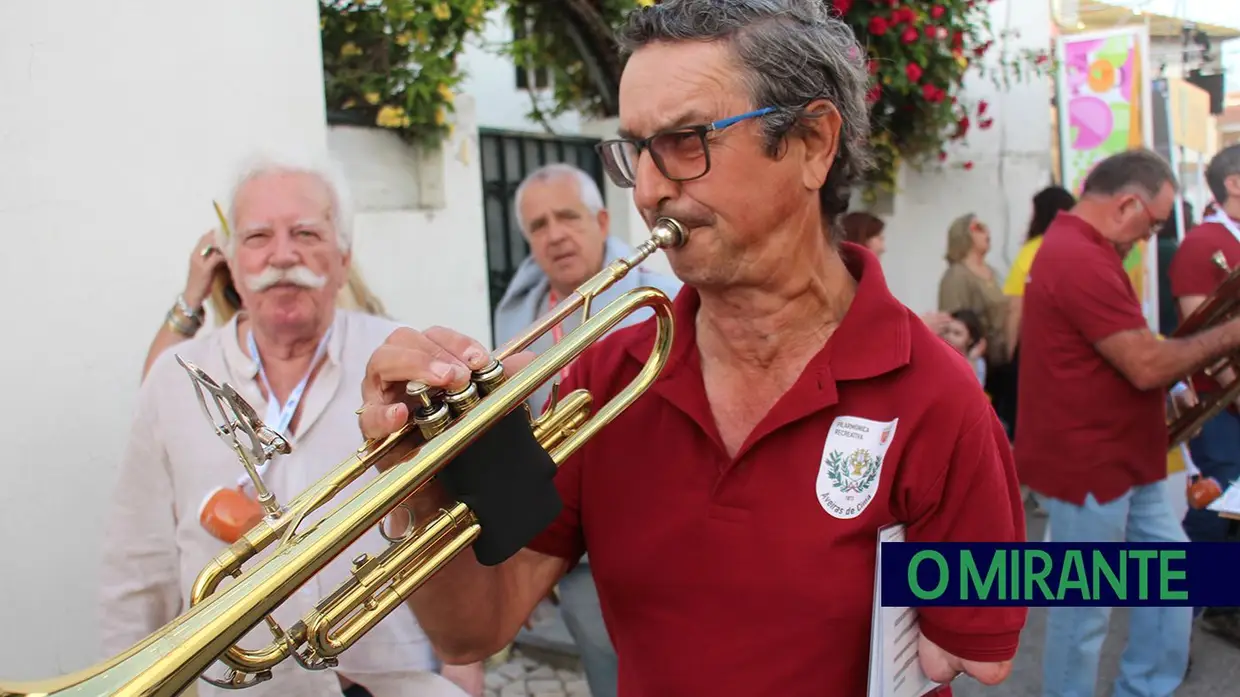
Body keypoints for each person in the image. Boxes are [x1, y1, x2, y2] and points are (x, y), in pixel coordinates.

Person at [359, 2, 1026, 696]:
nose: (648, 191)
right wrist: (421, 480)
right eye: (636, 151)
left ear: (812, 144)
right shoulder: (608, 377)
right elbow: (475, 630)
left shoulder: (943, 397)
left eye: (685, 141)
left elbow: (978, 653)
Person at [98, 152, 477, 697]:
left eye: (306, 232)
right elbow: (138, 564)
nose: (282, 255)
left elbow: (460, 522)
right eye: (256, 237)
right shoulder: (172, 380)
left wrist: (467, 662)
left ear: (344, 258)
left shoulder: (405, 358)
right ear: (229, 260)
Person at [1015, 147, 1240, 697]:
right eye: (1153, 224)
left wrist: (1176, 377)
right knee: (1083, 612)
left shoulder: (1080, 249)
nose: (1147, 238)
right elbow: (1142, 364)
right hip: (1090, 464)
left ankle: (1144, 688)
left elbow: (1128, 355)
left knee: (1170, 588)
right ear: (1126, 205)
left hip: (1123, 458)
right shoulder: (1076, 256)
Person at [491, 162, 681, 697]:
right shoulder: (515, 320)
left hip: (657, 539)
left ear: (601, 220)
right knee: (608, 675)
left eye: (567, 217)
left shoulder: (668, 301)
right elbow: (512, 440)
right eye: (539, 225)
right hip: (569, 556)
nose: (554, 235)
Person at [1167, 143, 1240, 646]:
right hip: (1221, 402)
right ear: (1233, 183)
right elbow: (1199, 334)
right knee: (1214, 505)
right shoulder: (1202, 242)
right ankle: (1183, 624)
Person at [144, 230, 389, 378]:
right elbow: (155, 395)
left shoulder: (379, 346)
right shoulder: (230, 365)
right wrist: (191, 298)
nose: (282, 258)